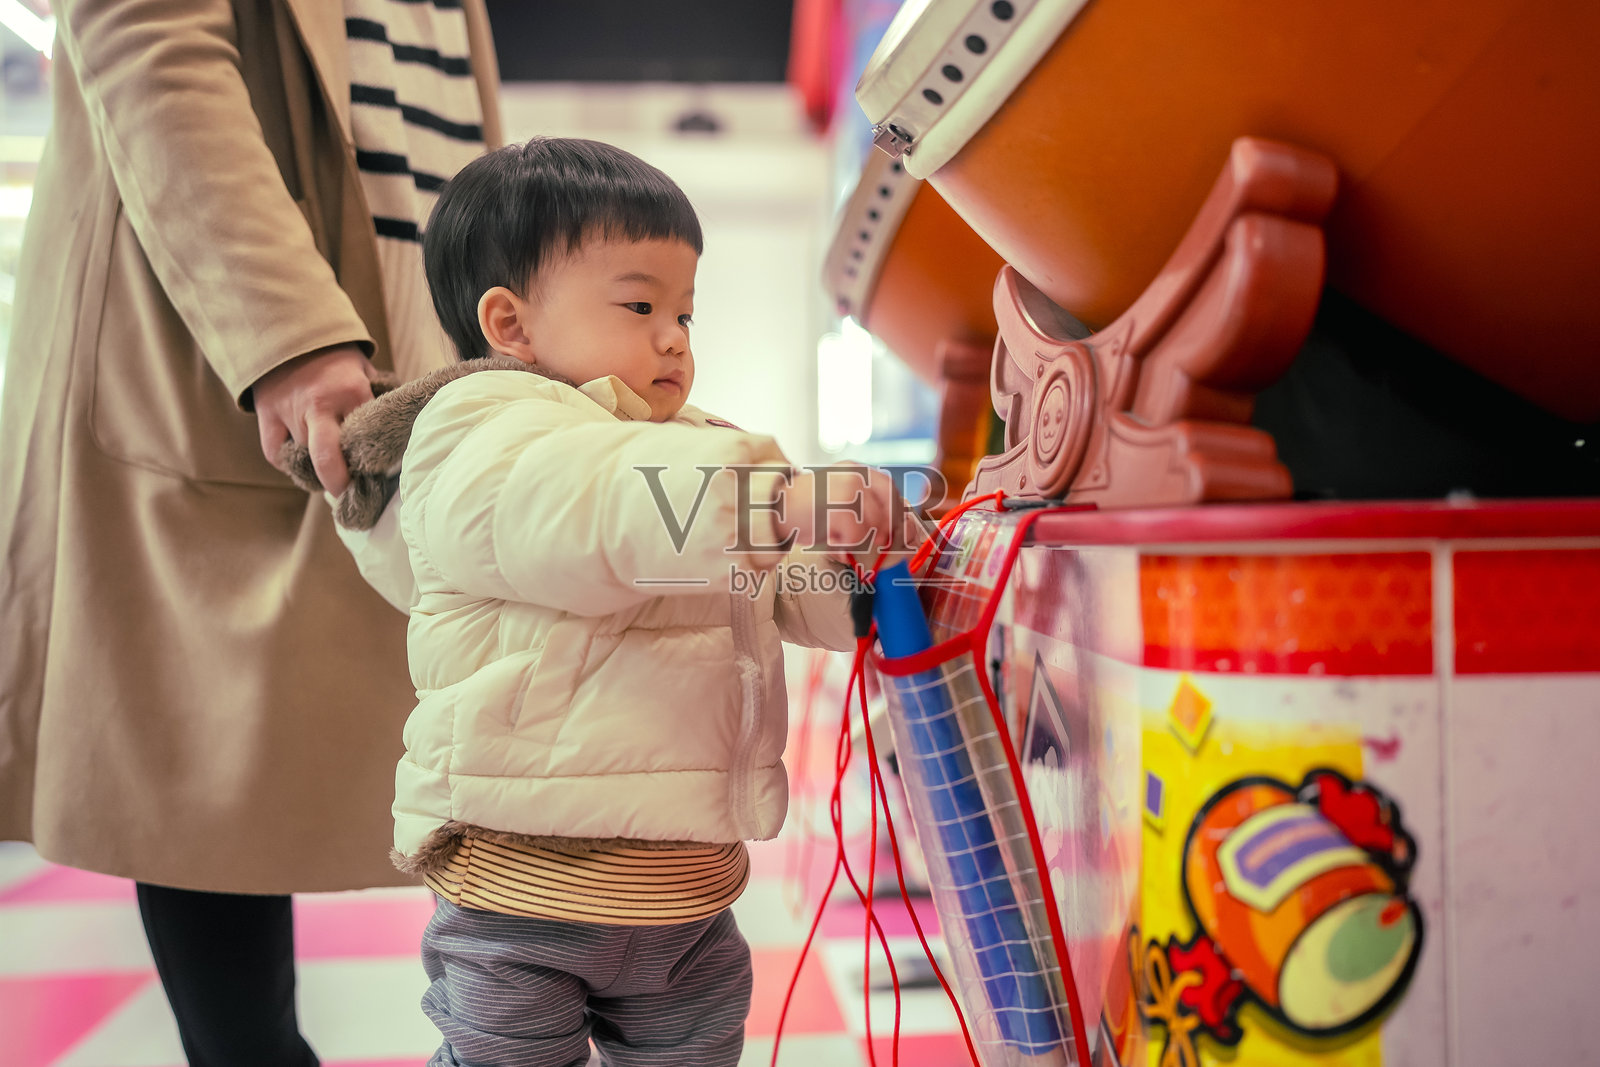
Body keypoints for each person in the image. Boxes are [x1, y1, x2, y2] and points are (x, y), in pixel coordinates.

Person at [308, 136, 910, 1067]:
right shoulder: (482, 434)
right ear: (510, 323)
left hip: (687, 887)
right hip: (523, 880)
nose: (674, 336)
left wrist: (852, 567)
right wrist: (771, 499)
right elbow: (594, 510)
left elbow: (776, 590)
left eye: (685, 311)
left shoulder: (699, 449)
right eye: (641, 304)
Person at [0, 2, 499, 1064]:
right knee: (204, 728)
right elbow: (143, 34)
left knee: (484, 729)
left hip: (423, 302)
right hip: (242, 324)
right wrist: (287, 330)